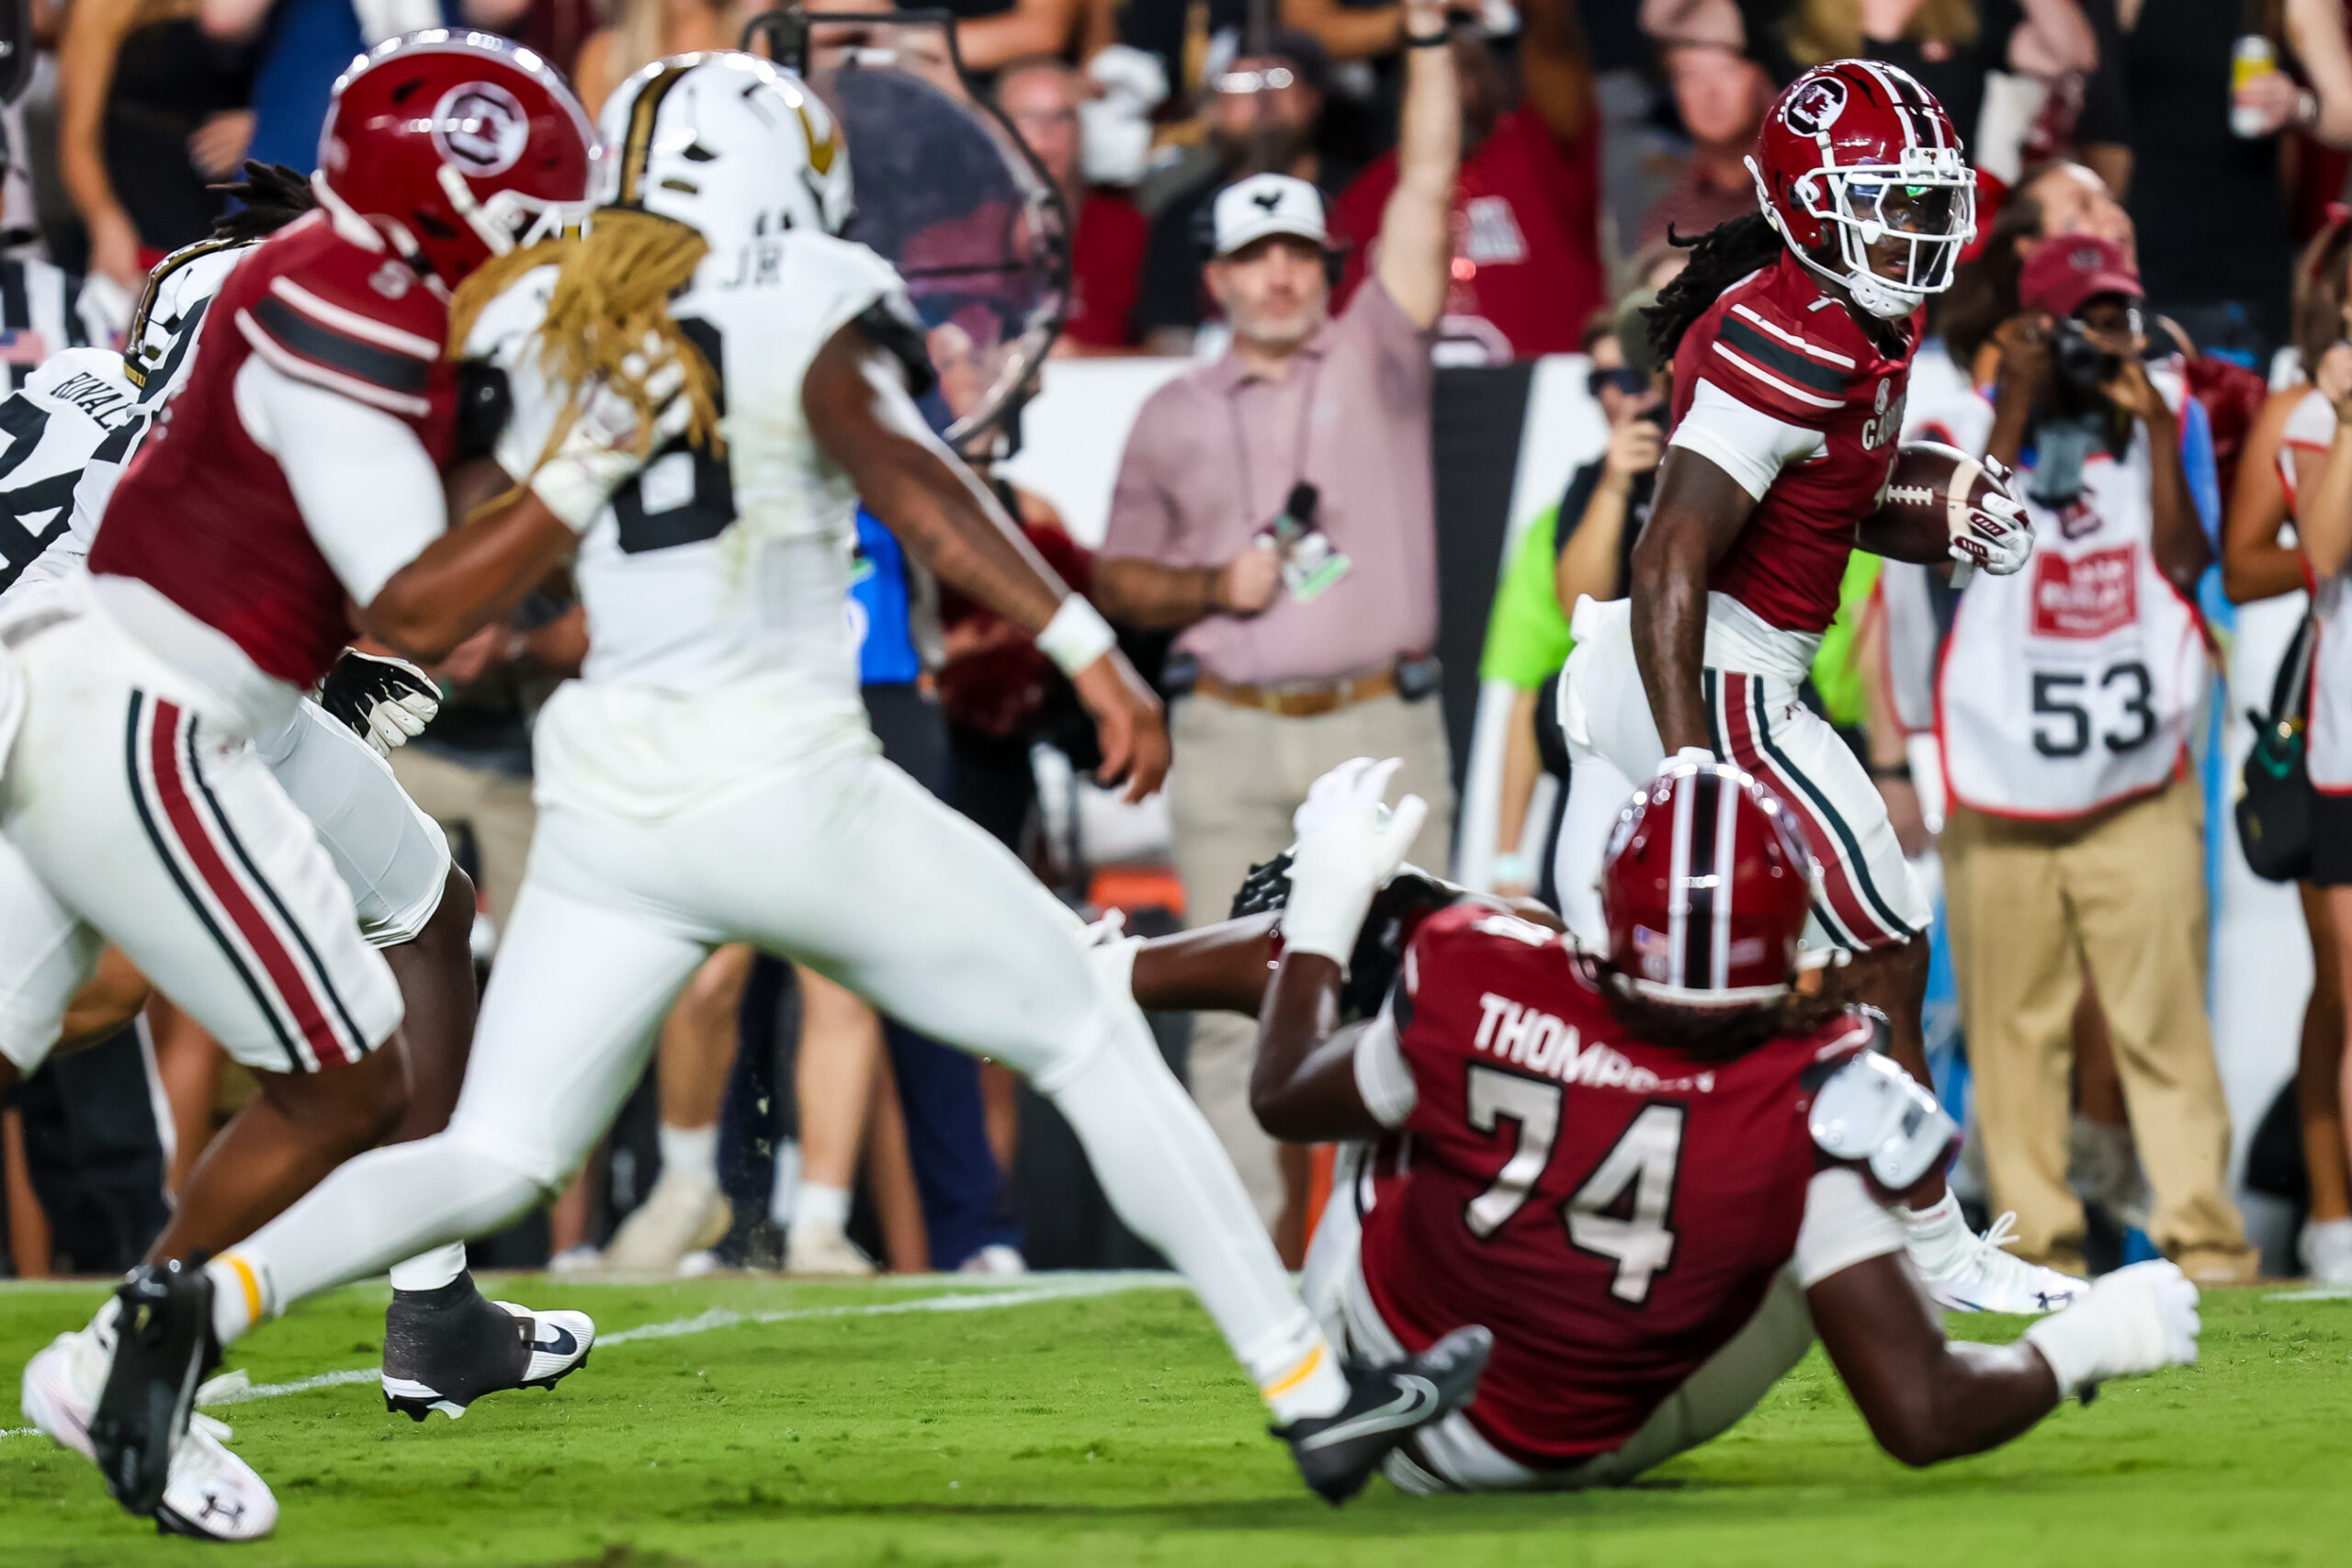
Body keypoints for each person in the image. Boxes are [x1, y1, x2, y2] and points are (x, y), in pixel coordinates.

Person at [92, 51, 1490, 1520]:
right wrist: (1088, 645)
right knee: (1085, 1026)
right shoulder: (803, 288)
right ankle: (1313, 1393)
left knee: (494, 1147)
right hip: (785, 775)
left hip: (611, 804)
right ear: (793, 167)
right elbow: (910, 476)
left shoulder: (556, 307)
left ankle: (188, 1299)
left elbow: (442, 556)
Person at [4, 38, 598, 1533]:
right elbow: (406, 591)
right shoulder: (326, 325)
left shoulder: (91, 373)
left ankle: (434, 1302)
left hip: (146, 679)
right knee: (309, 1061)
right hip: (135, 700)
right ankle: (142, 1343)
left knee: (423, 907)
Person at [1231, 754, 2201, 1491]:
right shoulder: (1816, 1093)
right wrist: (2094, 1339)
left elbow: (1282, 1092)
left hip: (1380, 1352)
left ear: (1612, 905)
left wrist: (1324, 906)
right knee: (1816, 1215)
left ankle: (1122, 975)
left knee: (1409, 1071)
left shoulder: (1483, 968)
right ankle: (1939, 1275)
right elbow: (1922, 1415)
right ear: (1788, 932)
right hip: (1565, 1447)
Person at [1555, 59, 2075, 1314]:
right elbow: (1672, 550)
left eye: (1918, 199)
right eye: (1882, 200)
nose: (1909, 227)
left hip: (1703, 663)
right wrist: (1691, 768)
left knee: (1672, 984)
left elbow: (1822, 498)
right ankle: (1916, 1240)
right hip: (1716, 671)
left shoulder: (1848, 311)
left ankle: (1720, 1226)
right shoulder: (1790, 330)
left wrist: (1934, 504)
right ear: (1807, 200)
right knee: (1883, 940)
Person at [1091, 0, 1460, 1238]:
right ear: (1216, 278)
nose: (1280, 274)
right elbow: (1118, 582)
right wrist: (1211, 589)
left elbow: (1426, 188)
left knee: (1419, 992)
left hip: (1378, 721)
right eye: (1254, 258)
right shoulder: (1171, 412)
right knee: (1222, 1011)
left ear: (1326, 262)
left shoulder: (1376, 355)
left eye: (1299, 250)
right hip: (1231, 734)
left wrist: (1420, 44)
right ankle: (1242, 1269)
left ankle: (1401, 1255)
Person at [1907, 235, 2256, 1285]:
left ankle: (2205, 1242)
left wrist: (2150, 425)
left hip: (2133, 783)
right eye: (2082, 324)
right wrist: (2014, 402)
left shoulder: (2163, 415)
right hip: (1998, 784)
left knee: (2164, 1029)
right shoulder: (1955, 428)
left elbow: (2187, 565)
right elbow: (1956, 554)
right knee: (2013, 1043)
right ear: (2025, 332)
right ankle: (2040, 1253)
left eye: (2118, 320)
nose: (2105, 343)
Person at [2226, 216, 2352, 1283]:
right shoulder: (2300, 412)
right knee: (2341, 982)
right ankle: (2327, 1213)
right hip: (2325, 705)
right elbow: (2253, 566)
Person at [1479, 310, 1660, 906]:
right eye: (1600, 381)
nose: (1617, 396)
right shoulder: (1581, 495)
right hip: (1601, 773)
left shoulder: (1737, 462)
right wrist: (1614, 486)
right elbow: (1543, 677)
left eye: (1631, 377)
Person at [1327, 0, 1605, 363]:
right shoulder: (1365, 195)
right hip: (1412, 409)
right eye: (1435, 71)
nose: (1450, 89)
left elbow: (1554, 42)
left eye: (1468, 69)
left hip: (1543, 404)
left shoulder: (1541, 152)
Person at [1133, 28, 1341, 356]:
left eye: (1278, 80)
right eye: (1240, 85)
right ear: (1212, 110)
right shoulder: (1182, 219)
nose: (1262, 99)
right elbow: (1168, 342)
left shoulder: (1359, 197)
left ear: (1312, 98)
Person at [56, 0, 253, 296]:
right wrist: (103, 222)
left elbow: (301, 88)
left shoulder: (257, 12)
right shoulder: (105, 7)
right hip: (132, 236)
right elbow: (77, 141)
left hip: (223, 242)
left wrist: (259, 124)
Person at [993, 56, 1149, 355]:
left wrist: (1084, 358)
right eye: (1028, 118)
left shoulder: (1131, 233)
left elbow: (1176, 354)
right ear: (993, 128)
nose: (1047, 134)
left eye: (1062, 117)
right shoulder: (953, 242)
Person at [1639, 35, 1774, 248]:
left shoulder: (1811, 184)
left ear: (1761, 79)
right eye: (1690, 75)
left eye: (1727, 70)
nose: (1710, 92)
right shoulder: (1669, 224)